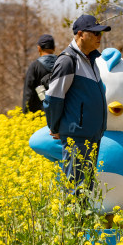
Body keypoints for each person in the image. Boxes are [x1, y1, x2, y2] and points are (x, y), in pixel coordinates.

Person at [45, 15, 110, 197]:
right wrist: (55, 127)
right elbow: (53, 98)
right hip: (77, 136)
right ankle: (72, 218)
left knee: (86, 190)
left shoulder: (92, 61)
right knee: (76, 190)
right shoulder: (68, 60)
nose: (99, 37)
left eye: (100, 33)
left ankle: (80, 217)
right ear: (80, 34)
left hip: (92, 135)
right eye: (95, 33)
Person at [22, 34, 57, 113]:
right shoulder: (62, 64)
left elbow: (28, 93)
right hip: (59, 113)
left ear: (39, 48)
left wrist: (25, 113)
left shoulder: (34, 66)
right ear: (54, 48)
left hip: (39, 114)